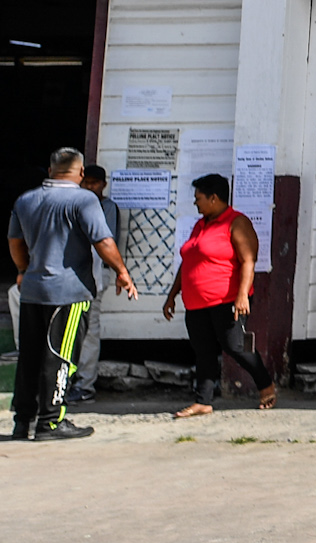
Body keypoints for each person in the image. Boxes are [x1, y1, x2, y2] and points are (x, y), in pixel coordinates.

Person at [7, 148, 136, 440]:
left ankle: (22, 421)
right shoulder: (84, 199)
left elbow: (15, 241)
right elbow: (103, 241)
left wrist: (23, 269)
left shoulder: (26, 199)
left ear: (51, 171)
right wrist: (122, 272)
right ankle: (51, 422)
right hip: (68, 293)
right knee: (60, 357)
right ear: (79, 174)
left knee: (29, 356)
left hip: (32, 290)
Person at [162, 173, 275, 417]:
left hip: (227, 301)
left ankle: (266, 384)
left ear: (214, 198)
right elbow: (187, 262)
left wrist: (242, 295)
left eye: (199, 198)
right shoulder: (200, 225)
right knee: (203, 351)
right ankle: (203, 401)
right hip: (196, 304)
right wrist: (172, 294)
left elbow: (248, 261)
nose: (196, 203)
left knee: (235, 346)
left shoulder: (237, 222)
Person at [73, 164, 116, 403]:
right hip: (75, 274)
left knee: (89, 330)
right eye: (85, 182)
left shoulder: (107, 208)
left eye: (94, 183)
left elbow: (104, 242)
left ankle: (85, 384)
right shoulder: (76, 204)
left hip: (97, 273)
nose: (89, 187)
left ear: (103, 184)